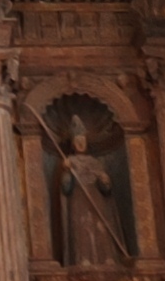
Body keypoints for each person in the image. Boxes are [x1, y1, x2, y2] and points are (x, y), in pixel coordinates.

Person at [52, 111, 129, 266]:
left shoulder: (96, 162)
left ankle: (107, 258)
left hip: (97, 200)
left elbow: (106, 191)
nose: (81, 143)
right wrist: (67, 172)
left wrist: (105, 181)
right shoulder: (69, 162)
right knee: (81, 228)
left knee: (101, 227)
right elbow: (66, 188)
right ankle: (82, 258)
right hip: (78, 200)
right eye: (77, 141)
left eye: (83, 140)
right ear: (73, 144)